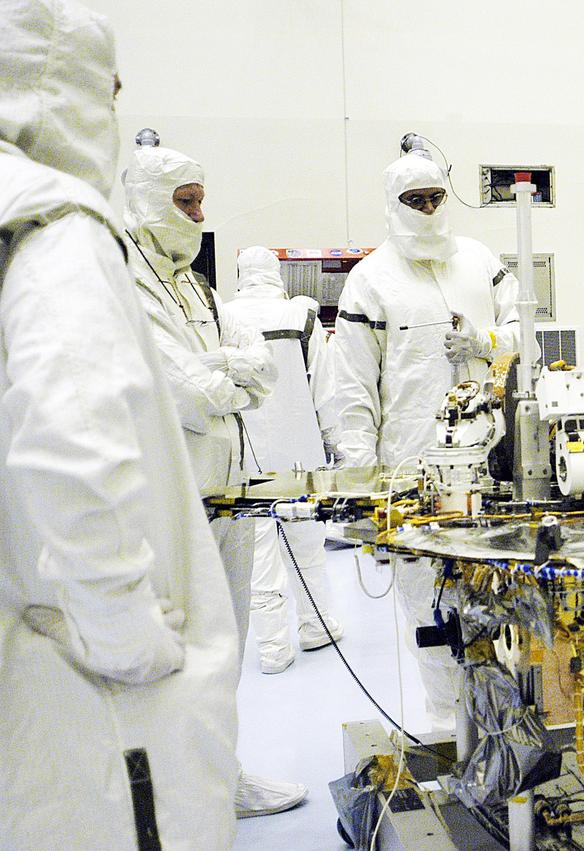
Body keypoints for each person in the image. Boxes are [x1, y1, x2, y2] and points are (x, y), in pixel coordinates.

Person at [0, 1, 239, 846]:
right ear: (59, 88)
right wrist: (128, 637)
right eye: (109, 91)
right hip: (97, 693)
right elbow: (69, 444)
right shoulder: (60, 232)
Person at [122, 141, 309, 817]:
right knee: (181, 658)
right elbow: (184, 395)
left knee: (225, 651)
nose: (199, 214)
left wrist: (228, 377)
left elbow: (257, 365)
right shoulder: (126, 285)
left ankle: (221, 777)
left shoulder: (196, 285)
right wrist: (232, 379)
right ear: (148, 202)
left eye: (201, 199)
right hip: (173, 506)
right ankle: (179, 791)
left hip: (229, 492)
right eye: (185, 200)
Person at [331, 150, 522, 731]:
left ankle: (509, 740)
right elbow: (353, 390)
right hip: (415, 477)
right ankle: (448, 732)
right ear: (395, 205)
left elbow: (528, 331)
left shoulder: (479, 262)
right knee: (432, 616)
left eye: (436, 198)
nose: (429, 210)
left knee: (508, 612)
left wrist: (486, 339)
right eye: (416, 201)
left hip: (496, 469)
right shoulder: (371, 280)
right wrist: (365, 482)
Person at [224, 246, 345, 674]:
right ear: (276, 273)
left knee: (258, 553)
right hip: (300, 455)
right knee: (307, 545)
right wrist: (337, 444)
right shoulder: (301, 315)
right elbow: (325, 391)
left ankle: (273, 649)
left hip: (244, 458)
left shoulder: (223, 316)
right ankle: (317, 627)